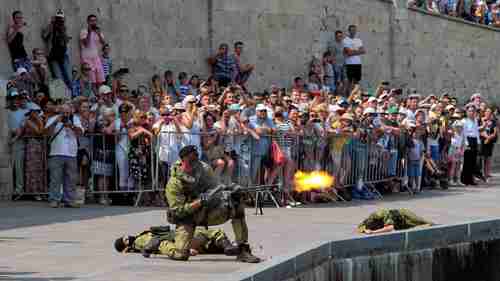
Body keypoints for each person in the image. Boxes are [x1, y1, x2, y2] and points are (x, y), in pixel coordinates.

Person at [164, 145, 260, 263]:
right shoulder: (174, 183)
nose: (194, 163)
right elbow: (178, 211)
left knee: (236, 202)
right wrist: (199, 202)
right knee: (180, 255)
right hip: (187, 218)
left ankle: (243, 250)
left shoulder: (203, 169)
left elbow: (216, 187)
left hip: (206, 211)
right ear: (182, 160)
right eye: (191, 160)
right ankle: (160, 244)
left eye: (196, 159)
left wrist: (230, 189)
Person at [45, 103, 84, 208]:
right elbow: (46, 133)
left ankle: (69, 200)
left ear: (71, 111)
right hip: (56, 152)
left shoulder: (75, 119)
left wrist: (71, 125)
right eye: (64, 112)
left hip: (71, 153)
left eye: (67, 112)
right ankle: (54, 199)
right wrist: (55, 122)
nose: (66, 114)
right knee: (55, 178)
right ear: (60, 111)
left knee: (71, 178)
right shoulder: (53, 119)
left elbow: (80, 133)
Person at [114, 226, 240, 257]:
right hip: (179, 241)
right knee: (205, 233)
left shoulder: (139, 238)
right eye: (125, 240)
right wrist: (181, 251)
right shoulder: (139, 241)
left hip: (180, 238)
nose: (127, 238)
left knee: (203, 234)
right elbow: (160, 243)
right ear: (125, 247)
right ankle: (226, 245)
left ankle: (227, 246)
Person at [42, 9, 72, 89]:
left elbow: (66, 40)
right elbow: (44, 35)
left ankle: (71, 94)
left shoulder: (64, 28)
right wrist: (51, 24)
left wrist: (63, 31)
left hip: (63, 54)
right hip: (53, 55)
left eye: (61, 18)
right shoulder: (51, 26)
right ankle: (63, 97)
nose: (59, 20)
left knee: (69, 76)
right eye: (57, 18)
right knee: (59, 77)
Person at [357, 208, 433, 234]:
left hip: (404, 215)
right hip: (400, 224)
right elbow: (359, 228)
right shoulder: (368, 220)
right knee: (413, 227)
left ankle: (433, 225)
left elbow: (390, 228)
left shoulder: (381, 215)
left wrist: (373, 232)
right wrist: (365, 230)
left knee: (423, 221)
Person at [80, 14, 106, 87]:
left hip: (96, 58)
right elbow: (86, 44)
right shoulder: (84, 31)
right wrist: (89, 32)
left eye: (95, 20)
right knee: (92, 81)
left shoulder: (98, 31)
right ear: (88, 22)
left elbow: (103, 43)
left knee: (100, 79)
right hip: (87, 59)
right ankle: (95, 96)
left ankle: (101, 95)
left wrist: (99, 34)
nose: (93, 22)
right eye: (91, 21)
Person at [461, 103, 480, 185]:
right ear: (466, 112)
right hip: (468, 140)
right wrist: (466, 143)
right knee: (466, 162)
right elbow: (464, 133)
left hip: (474, 140)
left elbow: (476, 132)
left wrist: (478, 142)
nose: (471, 113)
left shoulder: (475, 120)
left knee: (473, 161)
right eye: (469, 111)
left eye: (473, 111)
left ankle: (471, 179)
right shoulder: (464, 121)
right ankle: (465, 180)